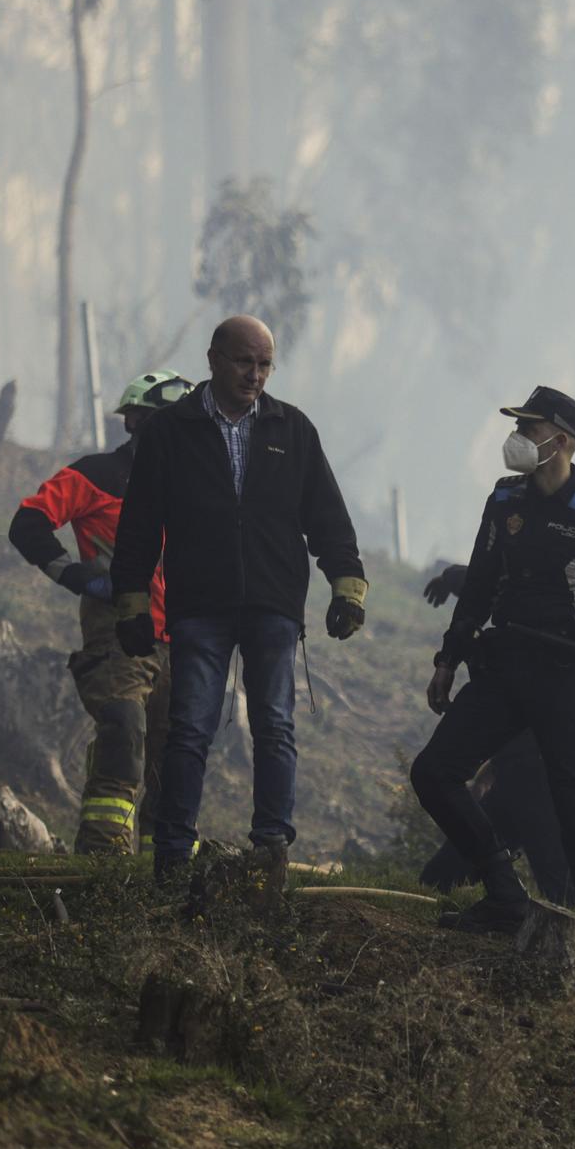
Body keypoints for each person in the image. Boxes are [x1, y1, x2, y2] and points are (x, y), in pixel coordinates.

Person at [109, 315, 367, 883]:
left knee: (275, 725)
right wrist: (130, 600)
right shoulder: (170, 432)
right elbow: (139, 526)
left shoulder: (292, 429)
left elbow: (327, 516)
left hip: (274, 606)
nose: (255, 375)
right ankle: (173, 853)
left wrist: (347, 584)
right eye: (245, 362)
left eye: (265, 364)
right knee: (190, 728)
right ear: (214, 359)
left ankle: (269, 849)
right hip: (199, 604)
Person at [409, 385, 575, 935]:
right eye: (518, 426)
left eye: (530, 428)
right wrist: (448, 658)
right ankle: (502, 889)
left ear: (561, 441)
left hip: (565, 677)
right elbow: (479, 585)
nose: (518, 437)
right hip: (504, 667)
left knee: (574, 801)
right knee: (434, 773)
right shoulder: (504, 500)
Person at [8, 370, 192, 854]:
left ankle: (170, 866)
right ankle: (104, 857)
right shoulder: (98, 474)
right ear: (134, 421)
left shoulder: (199, 490)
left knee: (176, 758)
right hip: (119, 637)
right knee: (124, 736)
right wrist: (78, 576)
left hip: (187, 644)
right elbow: (28, 523)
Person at [417, 562, 573, 906]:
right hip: (513, 782)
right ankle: (502, 904)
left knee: (559, 887)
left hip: (539, 785)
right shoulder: (511, 642)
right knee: (441, 876)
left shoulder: (551, 647)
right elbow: (485, 579)